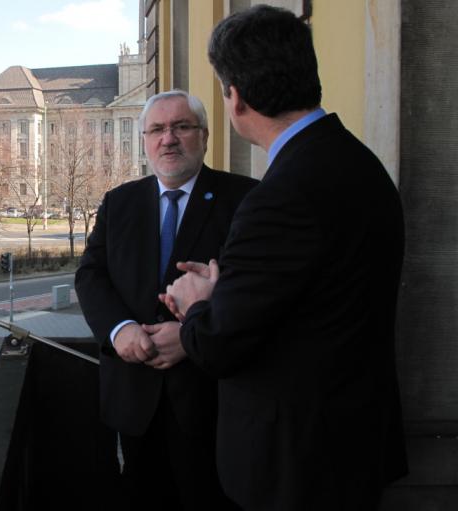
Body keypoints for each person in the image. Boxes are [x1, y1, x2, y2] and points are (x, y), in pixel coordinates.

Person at [157, 5, 408, 510]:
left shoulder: (281, 195)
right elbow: (313, 298)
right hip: (350, 444)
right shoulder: (358, 162)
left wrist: (198, 301)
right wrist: (232, 288)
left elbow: (217, 346)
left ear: (237, 98)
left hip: (297, 467)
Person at [75, 90, 257, 509]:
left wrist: (192, 336)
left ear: (204, 136)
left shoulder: (246, 199)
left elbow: (254, 292)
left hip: (212, 401)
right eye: (157, 129)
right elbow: (90, 275)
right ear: (144, 139)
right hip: (134, 400)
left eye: (181, 127)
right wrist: (119, 330)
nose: (168, 138)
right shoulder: (119, 202)